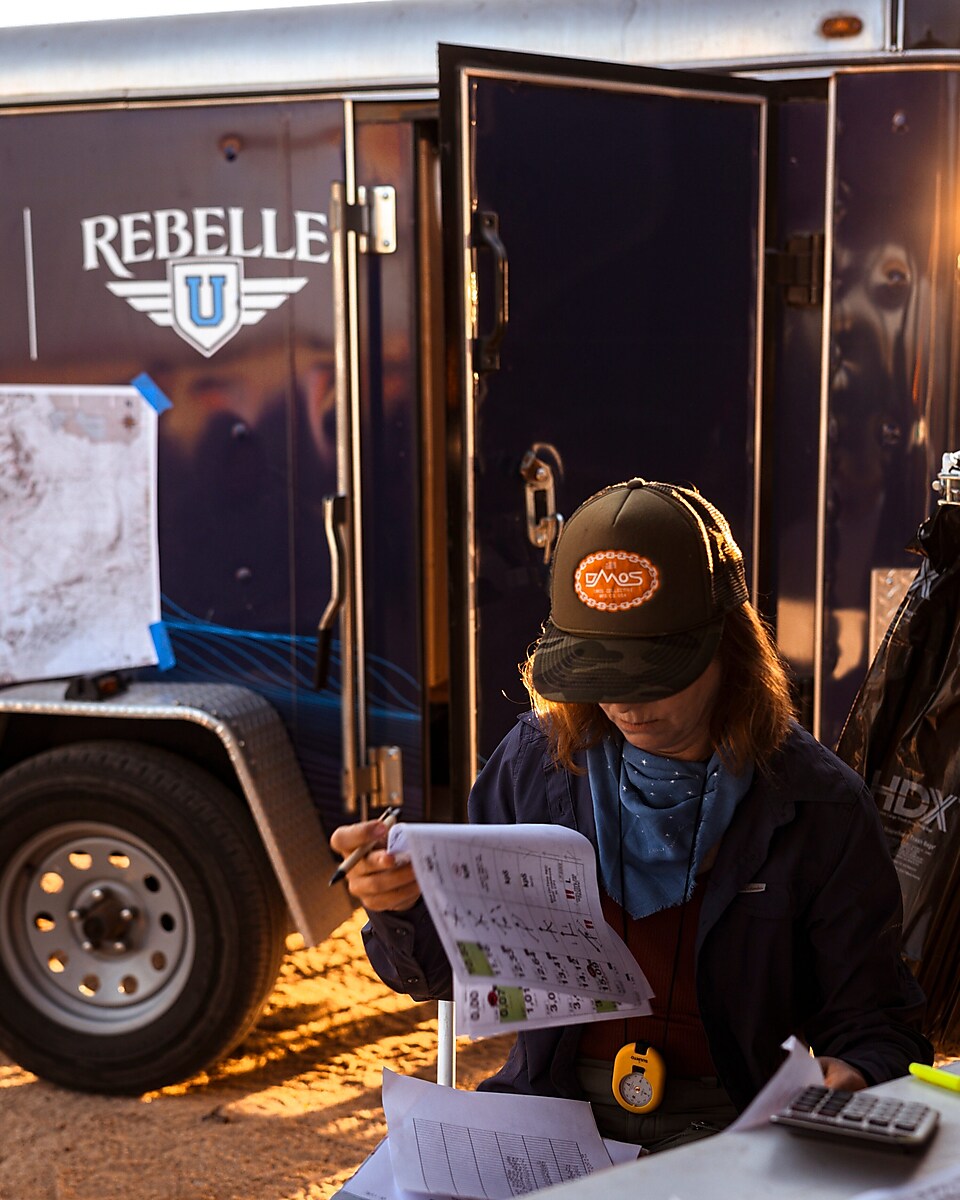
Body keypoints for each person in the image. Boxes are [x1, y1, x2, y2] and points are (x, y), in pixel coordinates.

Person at [329, 477, 933, 1152]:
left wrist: (849, 1075)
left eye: (655, 671)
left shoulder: (818, 805)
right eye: (596, 673)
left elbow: (879, 1024)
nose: (624, 703)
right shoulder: (534, 762)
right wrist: (401, 904)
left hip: (735, 1136)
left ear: (726, 646)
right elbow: (442, 971)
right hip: (550, 1123)